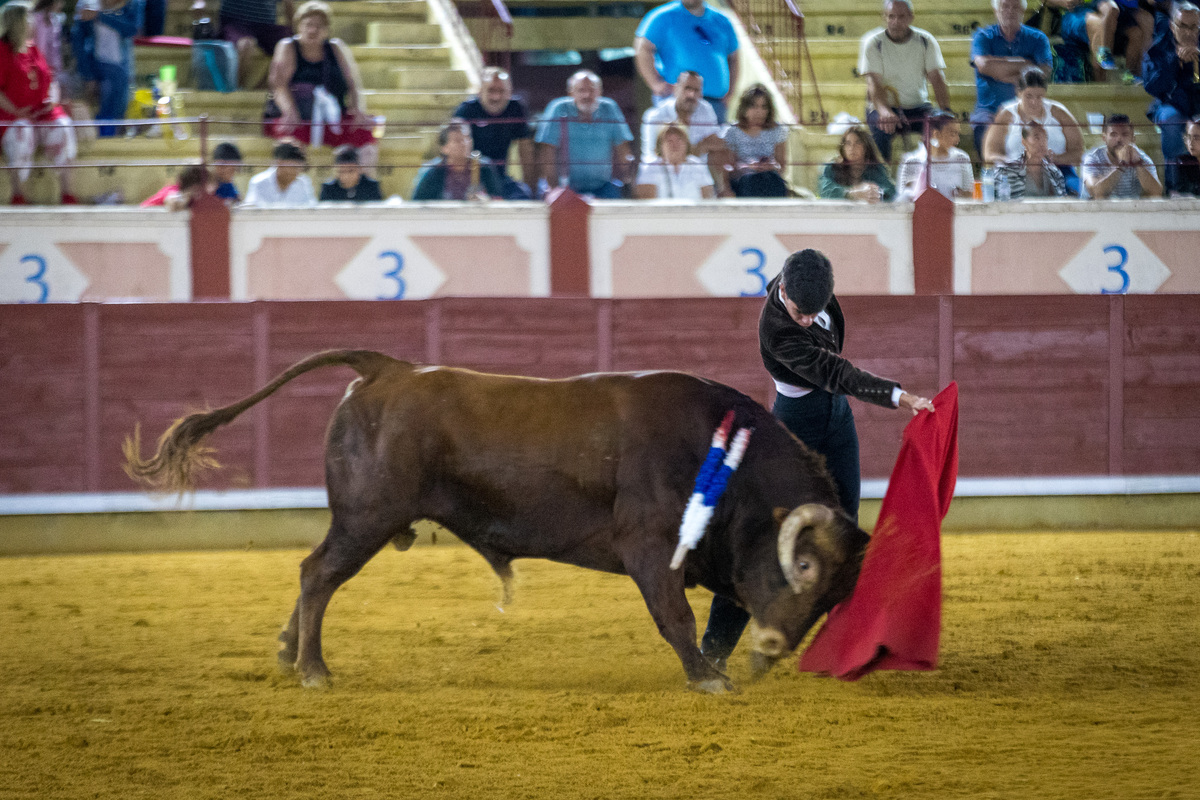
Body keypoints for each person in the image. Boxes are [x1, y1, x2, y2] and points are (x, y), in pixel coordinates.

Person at [699, 248, 935, 671]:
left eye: (813, 312)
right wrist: (899, 397)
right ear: (783, 291)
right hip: (794, 429)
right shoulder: (777, 330)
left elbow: (833, 364)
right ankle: (712, 652)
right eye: (798, 311)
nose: (805, 319)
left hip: (837, 422)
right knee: (762, 537)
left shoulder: (812, 288)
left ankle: (847, 645)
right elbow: (837, 373)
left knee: (844, 532)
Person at [264, 0, 376, 169]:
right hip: (296, 117)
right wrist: (290, 111)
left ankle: (364, 189)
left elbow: (354, 83)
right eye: (308, 24)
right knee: (290, 145)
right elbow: (278, 85)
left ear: (327, 29)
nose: (313, 30)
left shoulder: (336, 48)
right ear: (299, 25)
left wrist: (359, 110)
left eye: (319, 26)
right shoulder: (288, 47)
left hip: (331, 119)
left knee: (365, 136)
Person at [0, 1, 77, 205]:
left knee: (63, 127)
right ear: (16, 21)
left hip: (42, 112)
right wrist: (17, 111)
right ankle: (19, 195)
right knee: (21, 132)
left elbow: (49, 78)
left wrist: (53, 97)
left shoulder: (33, 48)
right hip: (12, 116)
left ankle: (67, 193)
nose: (31, 21)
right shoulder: (2, 50)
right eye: (26, 17)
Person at [858, 0, 952, 162]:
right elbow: (873, 82)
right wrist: (885, 111)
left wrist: (945, 112)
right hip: (884, 107)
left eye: (901, 17)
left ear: (911, 17)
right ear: (884, 17)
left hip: (918, 106)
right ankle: (883, 180)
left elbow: (937, 79)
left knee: (941, 128)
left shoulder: (925, 40)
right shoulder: (873, 42)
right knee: (881, 132)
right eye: (891, 17)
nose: (895, 22)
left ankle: (932, 179)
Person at [982, 67, 1085, 194]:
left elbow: (1078, 151)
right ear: (1018, 92)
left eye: (1039, 96)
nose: (1034, 102)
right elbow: (990, 154)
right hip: (1015, 172)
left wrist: (1056, 159)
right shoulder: (1006, 114)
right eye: (1028, 96)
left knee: (1076, 190)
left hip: (1059, 169)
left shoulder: (1059, 113)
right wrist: (1012, 162)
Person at [969, 0, 1053, 156]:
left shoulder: (1038, 38)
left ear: (1023, 11)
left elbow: (1043, 71)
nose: (1010, 11)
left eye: (1015, 7)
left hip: (1028, 110)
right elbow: (984, 65)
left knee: (1040, 139)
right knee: (985, 140)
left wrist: (999, 70)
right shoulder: (983, 36)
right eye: (1005, 6)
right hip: (990, 111)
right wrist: (1025, 63)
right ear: (996, 11)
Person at [534, 70, 635, 199]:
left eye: (592, 90)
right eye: (581, 90)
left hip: (602, 186)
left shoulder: (609, 108)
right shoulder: (558, 108)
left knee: (619, 207)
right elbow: (547, 153)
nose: (587, 95)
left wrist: (629, 182)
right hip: (564, 185)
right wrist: (555, 190)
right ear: (571, 92)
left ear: (600, 92)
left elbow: (623, 150)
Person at [634, 0, 739, 122]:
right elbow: (643, 49)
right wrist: (655, 84)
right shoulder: (662, 17)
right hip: (675, 101)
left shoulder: (722, 21)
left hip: (715, 103)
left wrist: (731, 93)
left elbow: (734, 59)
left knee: (713, 140)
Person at [1141, 1, 1200, 192]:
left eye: (1194, 27)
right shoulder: (1159, 47)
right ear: (1172, 26)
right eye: (1183, 26)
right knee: (1172, 121)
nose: (1189, 32)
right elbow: (1152, 86)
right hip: (1171, 105)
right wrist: (1176, 61)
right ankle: (1175, 188)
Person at [452, 67, 536, 199]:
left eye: (501, 91)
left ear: (509, 92)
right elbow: (453, 149)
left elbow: (525, 150)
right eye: (491, 90)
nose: (496, 96)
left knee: (523, 196)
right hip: (470, 180)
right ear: (480, 91)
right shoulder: (466, 110)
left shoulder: (516, 108)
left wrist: (532, 188)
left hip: (501, 179)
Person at [194, 0, 293, 88]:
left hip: (266, 26)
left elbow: (288, 3)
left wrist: (294, 28)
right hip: (235, 24)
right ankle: (238, 90)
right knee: (246, 44)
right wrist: (199, 2)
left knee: (289, 45)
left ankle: (261, 88)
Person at [718, 83, 789, 197]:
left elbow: (782, 166)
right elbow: (729, 169)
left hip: (770, 179)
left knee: (774, 182)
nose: (759, 112)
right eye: (754, 106)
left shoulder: (777, 131)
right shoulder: (732, 132)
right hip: (744, 181)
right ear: (744, 108)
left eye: (763, 107)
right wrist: (748, 167)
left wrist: (770, 166)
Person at [640, 69, 722, 163]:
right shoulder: (654, 116)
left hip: (698, 172)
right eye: (687, 88)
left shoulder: (705, 109)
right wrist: (697, 149)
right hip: (663, 171)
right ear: (675, 89)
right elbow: (650, 156)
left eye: (696, 90)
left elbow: (716, 142)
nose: (691, 95)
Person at [1060, 0, 1153, 80]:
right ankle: (1103, 57)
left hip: (1121, 9)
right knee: (1102, 20)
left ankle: (1134, 72)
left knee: (1137, 30)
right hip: (1089, 9)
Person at [412, 120, 504, 201]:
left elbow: (499, 199)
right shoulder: (432, 172)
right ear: (444, 148)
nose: (464, 144)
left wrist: (485, 200)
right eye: (457, 140)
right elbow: (418, 204)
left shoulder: (484, 168)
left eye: (467, 138)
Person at [89, 0, 142, 137]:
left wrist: (101, 17)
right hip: (98, 65)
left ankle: (115, 134)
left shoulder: (132, 4)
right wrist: (88, 74)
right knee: (105, 104)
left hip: (121, 65)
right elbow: (82, 40)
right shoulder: (89, 4)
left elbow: (131, 29)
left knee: (120, 103)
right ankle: (105, 136)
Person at [896, 110, 975, 201]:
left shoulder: (961, 158)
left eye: (958, 134)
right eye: (953, 134)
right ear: (936, 134)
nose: (957, 140)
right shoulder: (912, 162)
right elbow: (902, 202)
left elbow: (970, 195)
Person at [1081, 112, 1163, 198]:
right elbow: (1095, 191)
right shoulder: (1093, 158)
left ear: (1133, 138)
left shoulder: (1141, 158)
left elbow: (1156, 192)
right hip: (1097, 210)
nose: (1119, 139)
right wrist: (1120, 166)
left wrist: (1138, 164)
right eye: (1113, 135)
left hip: (1130, 209)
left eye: (1125, 134)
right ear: (1104, 138)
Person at [634, 123, 715, 199]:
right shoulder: (650, 168)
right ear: (660, 145)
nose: (675, 145)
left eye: (679, 140)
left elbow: (708, 197)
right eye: (669, 141)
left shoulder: (698, 165)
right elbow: (646, 204)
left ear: (686, 144)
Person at [818, 125, 896, 202]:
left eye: (858, 143)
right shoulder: (832, 167)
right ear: (843, 147)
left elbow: (890, 191)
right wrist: (852, 193)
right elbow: (825, 190)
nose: (852, 148)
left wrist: (875, 193)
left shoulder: (875, 168)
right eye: (848, 143)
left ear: (866, 147)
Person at [994, 120, 1068, 197]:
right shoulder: (1007, 170)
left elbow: (1062, 202)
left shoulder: (1054, 172)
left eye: (1045, 138)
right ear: (1024, 142)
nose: (1042, 143)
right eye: (1037, 138)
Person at [244, 139, 316, 205]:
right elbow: (251, 211)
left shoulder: (303, 183)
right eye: (294, 167)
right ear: (279, 163)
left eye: (300, 167)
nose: (297, 172)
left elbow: (311, 210)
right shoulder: (259, 182)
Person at [140, 164, 210, 210]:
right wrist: (184, 199)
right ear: (195, 188)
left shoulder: (193, 197)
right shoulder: (172, 192)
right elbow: (172, 201)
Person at [1168, 115, 1200, 195]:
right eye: (1189, 137)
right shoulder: (1183, 162)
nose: (1191, 143)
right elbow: (1183, 192)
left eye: (1196, 138)